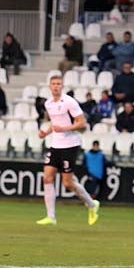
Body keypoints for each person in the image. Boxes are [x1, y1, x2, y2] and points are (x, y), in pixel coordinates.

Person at [36, 75, 100, 226]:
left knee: (68, 183)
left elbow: (82, 123)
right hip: (55, 145)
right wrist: (46, 132)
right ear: (50, 86)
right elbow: (55, 122)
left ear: (62, 86)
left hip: (70, 145)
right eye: (53, 84)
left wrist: (64, 128)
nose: (56, 86)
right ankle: (51, 217)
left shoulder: (70, 102)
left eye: (59, 84)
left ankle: (92, 204)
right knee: (47, 178)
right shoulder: (49, 103)